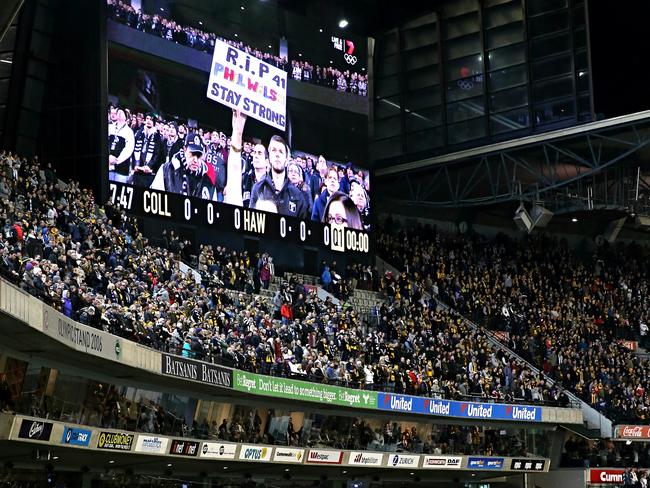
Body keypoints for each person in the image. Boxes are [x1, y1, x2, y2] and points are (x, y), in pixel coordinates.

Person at [227, 110, 308, 218]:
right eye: (274, 150)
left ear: (287, 159)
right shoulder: (258, 188)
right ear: (268, 157)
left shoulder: (298, 196)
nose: (277, 155)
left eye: (281, 151)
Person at [150, 132, 210, 197]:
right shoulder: (165, 171)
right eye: (192, 154)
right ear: (184, 150)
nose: (195, 160)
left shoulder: (207, 180)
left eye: (198, 155)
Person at [131, 113, 164, 188]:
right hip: (138, 172)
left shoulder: (157, 137)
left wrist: (150, 167)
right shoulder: (139, 134)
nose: (149, 121)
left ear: (154, 122)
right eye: (147, 119)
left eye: (151, 119)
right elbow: (133, 150)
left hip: (148, 174)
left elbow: (157, 154)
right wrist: (135, 165)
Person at [108, 108, 135, 183]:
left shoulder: (129, 131)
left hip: (121, 169)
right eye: (118, 112)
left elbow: (129, 149)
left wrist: (116, 161)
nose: (119, 113)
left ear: (126, 116)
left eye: (121, 112)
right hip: (108, 165)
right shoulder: (110, 127)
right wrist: (108, 157)